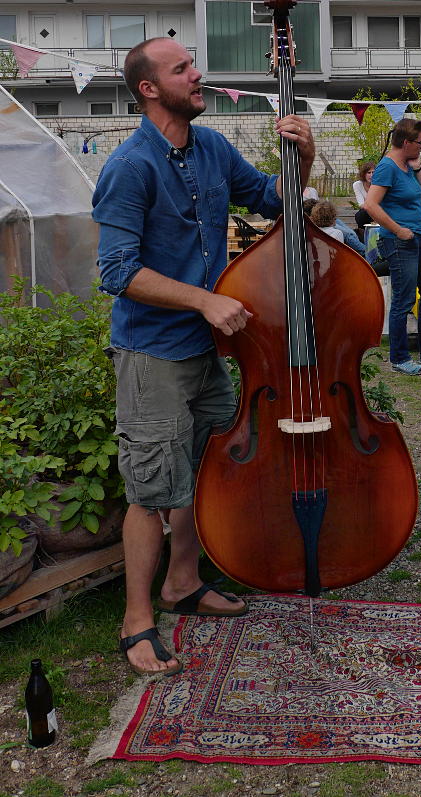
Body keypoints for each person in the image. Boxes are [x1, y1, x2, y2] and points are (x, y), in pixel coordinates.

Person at [94, 37, 315, 677]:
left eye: (194, 62)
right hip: (153, 352)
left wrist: (302, 157)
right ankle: (137, 619)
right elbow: (116, 271)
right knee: (150, 489)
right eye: (182, 67)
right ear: (149, 89)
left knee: (207, 465)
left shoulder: (211, 147)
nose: (199, 73)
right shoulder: (131, 166)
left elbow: (277, 200)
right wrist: (202, 300)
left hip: (205, 347)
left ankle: (182, 584)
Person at [363, 118, 421, 376]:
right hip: (398, 241)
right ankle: (400, 358)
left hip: (419, 238)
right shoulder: (386, 168)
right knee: (403, 300)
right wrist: (397, 229)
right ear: (406, 143)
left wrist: (418, 169)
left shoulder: (408, 166)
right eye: (419, 143)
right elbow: (370, 205)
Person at [352, 161, 376, 230]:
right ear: (364, 174)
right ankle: (362, 233)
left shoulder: (379, 184)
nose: (371, 175)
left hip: (380, 211)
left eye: (373, 172)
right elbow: (361, 204)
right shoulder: (357, 185)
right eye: (369, 173)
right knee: (360, 215)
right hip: (367, 211)